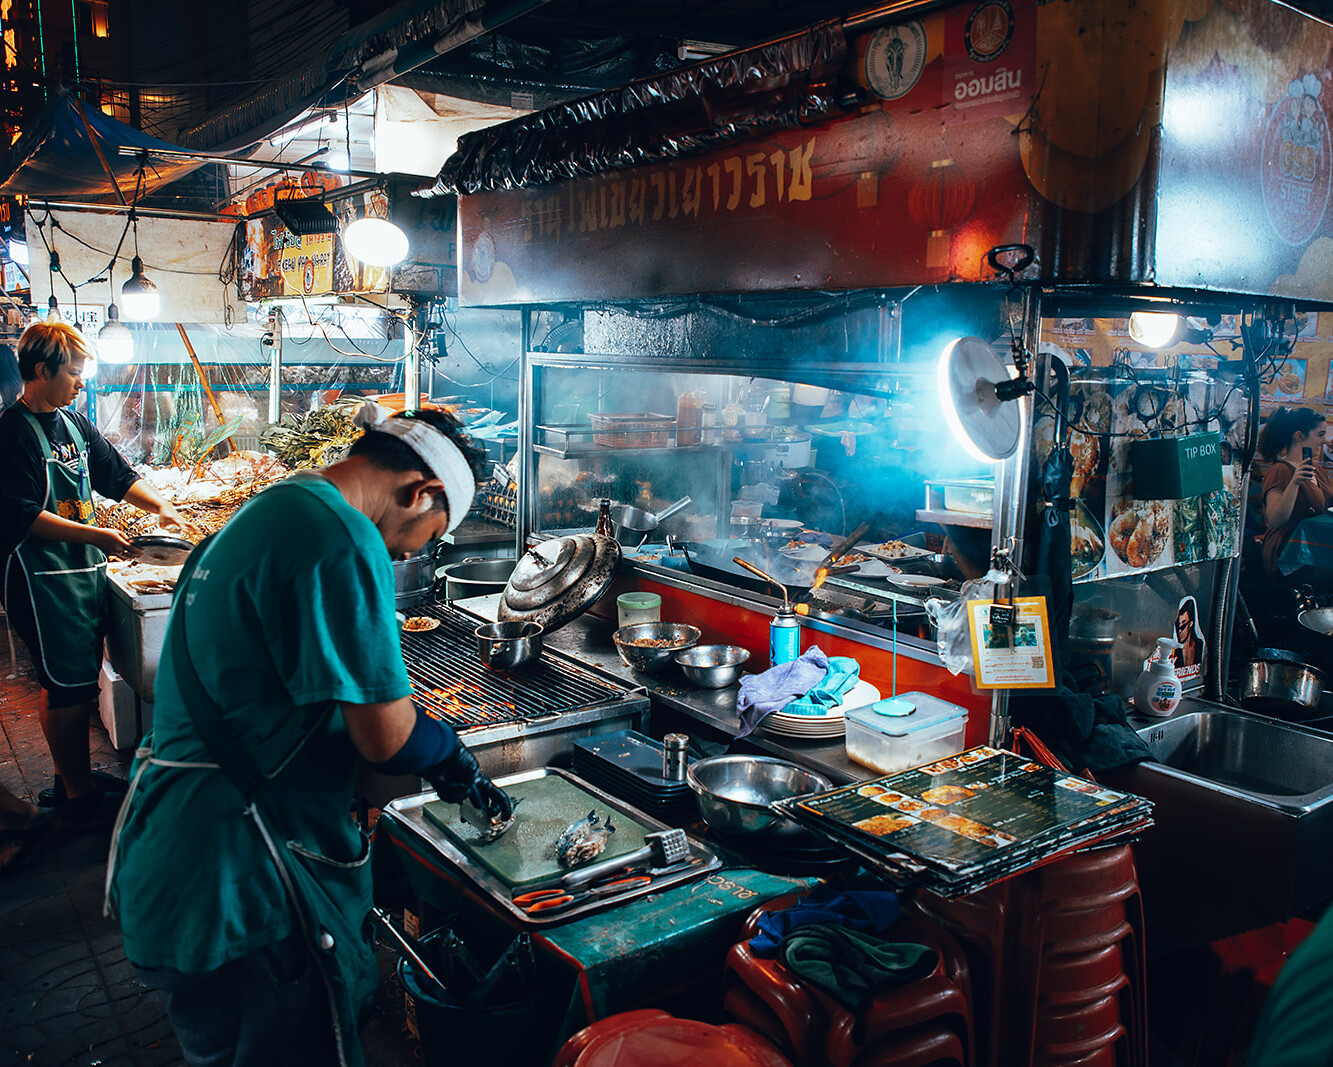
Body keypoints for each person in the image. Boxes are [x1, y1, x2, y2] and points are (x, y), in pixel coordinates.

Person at [106, 404, 516, 1067]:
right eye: (418, 539)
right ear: (422, 491)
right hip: (240, 878)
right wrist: (450, 754)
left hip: (175, 858)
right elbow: (387, 737)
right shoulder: (340, 535)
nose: (403, 554)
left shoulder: (267, 511)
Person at [0, 321, 185, 823]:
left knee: (73, 681)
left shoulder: (74, 424)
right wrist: (99, 537)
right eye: (75, 374)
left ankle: (70, 780)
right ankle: (78, 801)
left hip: (80, 572)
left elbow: (116, 476)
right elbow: (23, 515)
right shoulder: (10, 433)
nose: (82, 383)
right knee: (64, 685)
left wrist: (161, 506)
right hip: (39, 578)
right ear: (42, 371)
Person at [1258, 406, 1333, 581]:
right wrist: (1295, 483)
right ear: (1299, 436)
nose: (1324, 441)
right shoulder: (1281, 471)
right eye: (1320, 435)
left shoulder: (1316, 468)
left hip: (1314, 550)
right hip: (1287, 555)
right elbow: (1276, 519)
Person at [1171, 597, 1203, 672]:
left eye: (1184, 624)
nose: (1180, 630)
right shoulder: (1175, 651)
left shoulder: (1200, 646)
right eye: (1178, 624)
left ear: (1191, 623)